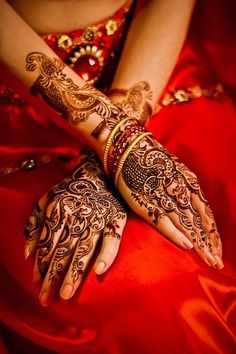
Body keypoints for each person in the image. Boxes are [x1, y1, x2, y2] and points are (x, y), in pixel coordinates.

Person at [0, 0, 235, 353]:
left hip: (154, 72)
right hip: (20, 124)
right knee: (159, 294)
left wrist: (115, 149)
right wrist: (116, 138)